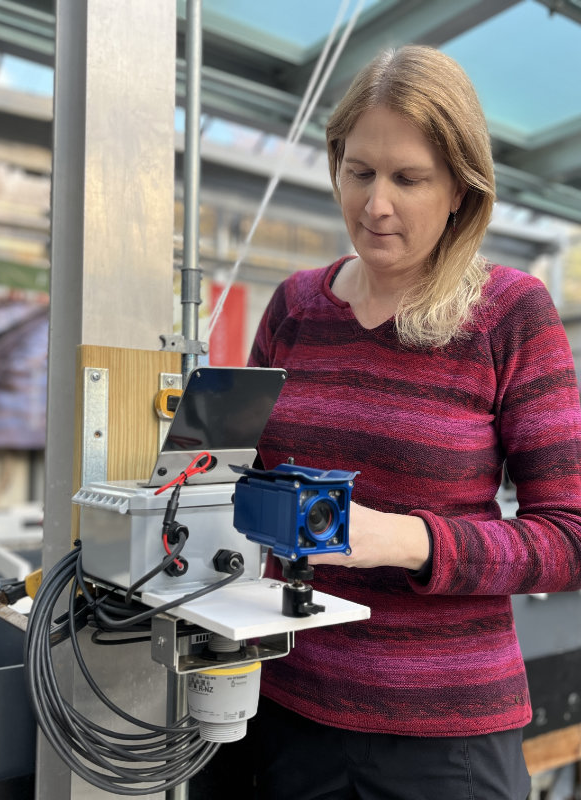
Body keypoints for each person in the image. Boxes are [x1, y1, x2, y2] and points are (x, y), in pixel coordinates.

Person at [240, 44, 581, 800]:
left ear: (460, 188)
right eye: (358, 172)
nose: (375, 203)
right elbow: (244, 480)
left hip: (444, 739)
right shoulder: (296, 305)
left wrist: (409, 540)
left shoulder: (510, 314)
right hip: (285, 711)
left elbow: (568, 537)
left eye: (408, 178)